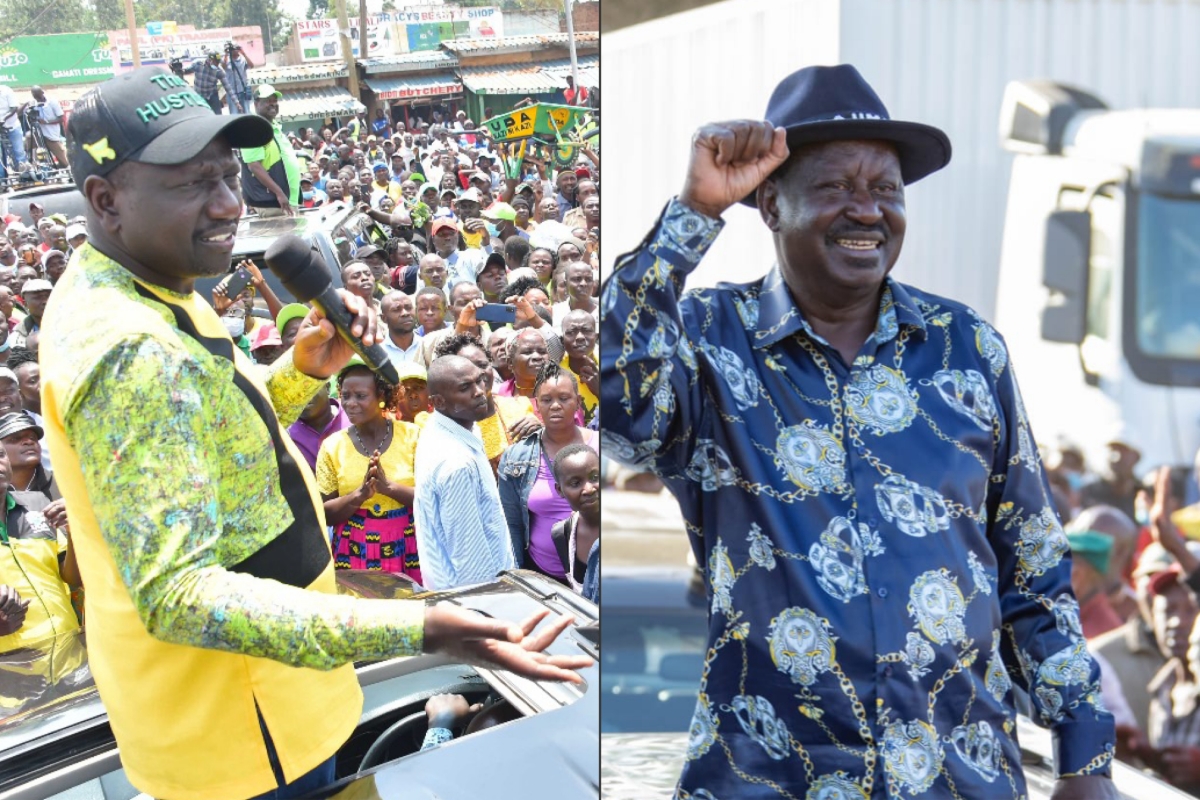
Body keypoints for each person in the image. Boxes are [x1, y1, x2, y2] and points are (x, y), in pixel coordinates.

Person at [43, 67, 589, 800]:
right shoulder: (128, 347)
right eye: (192, 184)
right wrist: (422, 629)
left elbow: (201, 432)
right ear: (105, 199)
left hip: (272, 708)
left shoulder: (146, 282)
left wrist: (301, 372)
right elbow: (180, 595)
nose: (230, 203)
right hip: (243, 740)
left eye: (231, 175)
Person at [599, 64, 1115, 798]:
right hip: (770, 780)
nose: (867, 211)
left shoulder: (965, 349)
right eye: (837, 187)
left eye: (885, 190)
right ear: (770, 203)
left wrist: (1086, 760)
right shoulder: (713, 341)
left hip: (959, 779)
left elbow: (1033, 570)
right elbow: (619, 406)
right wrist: (693, 212)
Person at [413, 355, 515, 590]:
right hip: (475, 599)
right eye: (465, 388)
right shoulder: (456, 463)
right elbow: (470, 560)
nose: (479, 391)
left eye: (479, 381)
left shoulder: (453, 428)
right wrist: (489, 613)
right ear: (438, 401)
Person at [316, 361, 421, 583]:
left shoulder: (413, 437)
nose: (350, 403)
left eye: (360, 396)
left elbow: (432, 500)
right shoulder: (332, 446)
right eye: (346, 396)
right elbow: (324, 513)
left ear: (381, 395)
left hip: (409, 546)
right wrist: (360, 495)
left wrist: (389, 488)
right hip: (353, 549)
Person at [499, 363, 596, 581]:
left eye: (564, 398)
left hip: (597, 573)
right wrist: (518, 575)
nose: (555, 406)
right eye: (546, 400)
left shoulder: (602, 448)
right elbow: (512, 523)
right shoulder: (516, 457)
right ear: (537, 405)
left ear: (578, 403)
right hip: (542, 575)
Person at [241, 84, 301, 217]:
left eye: (275, 101)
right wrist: (279, 193)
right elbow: (254, 166)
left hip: (287, 201)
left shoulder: (273, 127)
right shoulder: (253, 128)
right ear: (256, 104)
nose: (273, 104)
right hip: (273, 203)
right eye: (268, 101)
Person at [550, 442, 599, 601]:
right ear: (560, 490)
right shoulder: (563, 534)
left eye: (595, 477)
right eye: (575, 483)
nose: (589, 489)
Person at [286, 381, 349, 473]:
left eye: (308, 387)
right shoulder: (288, 437)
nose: (301, 395)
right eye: (293, 391)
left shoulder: (353, 416)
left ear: (327, 388)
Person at [189, 49, 241, 115]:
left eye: (218, 62)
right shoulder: (198, 65)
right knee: (200, 115)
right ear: (209, 60)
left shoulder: (219, 71)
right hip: (199, 95)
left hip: (212, 96)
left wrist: (236, 102)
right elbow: (185, 71)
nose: (217, 64)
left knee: (217, 115)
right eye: (215, 62)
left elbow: (228, 87)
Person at [28, 87, 68, 168]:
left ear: (42, 92)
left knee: (65, 162)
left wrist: (47, 122)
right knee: (29, 137)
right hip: (38, 133)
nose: (37, 98)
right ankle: (33, 165)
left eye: (38, 96)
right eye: (35, 96)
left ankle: (64, 168)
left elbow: (62, 118)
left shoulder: (52, 102)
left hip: (51, 134)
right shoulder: (33, 103)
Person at [379, 291, 422, 365]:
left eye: (408, 308)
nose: (405, 313)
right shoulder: (378, 352)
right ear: (384, 318)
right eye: (396, 310)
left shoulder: (427, 348)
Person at [11, 279, 50, 348]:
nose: (45, 301)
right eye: (38, 298)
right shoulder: (18, 336)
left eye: (48, 296)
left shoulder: (70, 324)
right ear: (25, 304)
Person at [0, 84, 27, 177]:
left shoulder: (6, 90)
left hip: (13, 126)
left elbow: (14, 108)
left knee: (19, 152)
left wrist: (4, 118)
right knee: (0, 157)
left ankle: (24, 176)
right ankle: (2, 180)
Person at [222, 43, 254, 115]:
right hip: (232, 93)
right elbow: (223, 67)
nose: (234, 51)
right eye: (233, 49)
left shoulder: (242, 60)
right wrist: (226, 54)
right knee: (234, 114)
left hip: (243, 91)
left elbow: (251, 66)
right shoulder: (227, 60)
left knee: (247, 112)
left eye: (236, 49)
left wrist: (244, 53)